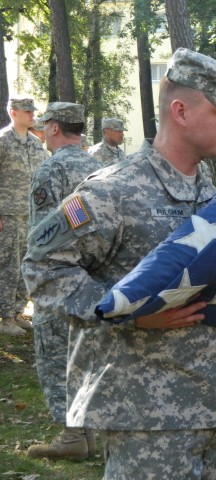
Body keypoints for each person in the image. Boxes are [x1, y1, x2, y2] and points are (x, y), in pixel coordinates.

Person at [22, 48, 216, 479]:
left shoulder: (211, 191)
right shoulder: (113, 191)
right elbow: (43, 265)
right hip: (146, 415)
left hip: (212, 407)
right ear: (180, 110)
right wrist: (127, 314)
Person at [25, 102, 103, 460]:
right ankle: (87, 432)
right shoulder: (100, 165)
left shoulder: (51, 170)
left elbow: (43, 235)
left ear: (55, 128)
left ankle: (73, 437)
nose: (41, 131)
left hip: (60, 276)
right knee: (88, 353)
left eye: (44, 126)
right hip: (97, 278)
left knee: (57, 355)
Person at [0, 97, 48, 336]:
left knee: (24, 264)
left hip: (31, 215)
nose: (32, 115)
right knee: (7, 264)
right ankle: (5, 317)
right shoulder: (2, 141)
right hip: (7, 214)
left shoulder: (35, 144)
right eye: (27, 111)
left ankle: (17, 311)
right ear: (13, 112)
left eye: (32, 111)